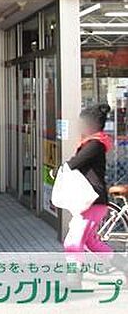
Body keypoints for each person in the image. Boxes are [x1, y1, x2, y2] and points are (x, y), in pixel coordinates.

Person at [63, 103, 113, 255]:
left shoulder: (95, 144)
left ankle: (74, 273)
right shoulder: (93, 143)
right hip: (92, 201)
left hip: (93, 200)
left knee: (72, 244)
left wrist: (58, 170)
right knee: (90, 242)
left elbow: (74, 164)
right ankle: (121, 264)